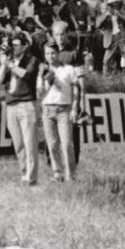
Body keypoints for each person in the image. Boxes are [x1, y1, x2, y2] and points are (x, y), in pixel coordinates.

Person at [0, 32, 42, 184]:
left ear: (25, 46)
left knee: (30, 144)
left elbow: (26, 75)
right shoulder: (9, 61)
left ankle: (32, 178)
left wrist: (10, 65)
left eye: (16, 45)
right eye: (12, 45)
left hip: (26, 103)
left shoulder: (32, 60)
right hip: (11, 105)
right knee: (18, 145)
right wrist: (4, 63)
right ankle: (24, 174)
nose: (13, 48)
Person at [38, 44, 85, 182]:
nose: (50, 56)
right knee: (52, 145)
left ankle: (71, 175)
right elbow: (40, 92)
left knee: (66, 144)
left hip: (64, 109)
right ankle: (57, 174)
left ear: (58, 53)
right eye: (47, 54)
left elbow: (76, 89)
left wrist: (75, 108)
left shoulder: (68, 69)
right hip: (47, 109)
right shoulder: (42, 70)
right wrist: (45, 78)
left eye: (52, 53)